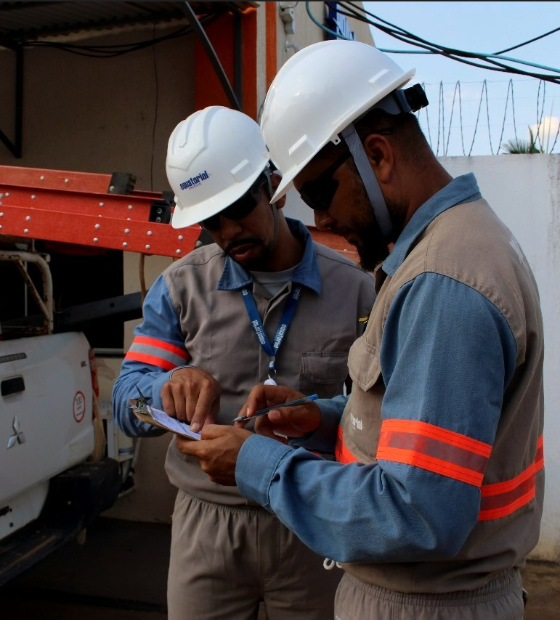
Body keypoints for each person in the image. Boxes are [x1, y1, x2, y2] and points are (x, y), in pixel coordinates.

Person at [177, 41, 545, 619]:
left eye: (321, 194)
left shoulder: (443, 282)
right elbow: (415, 432)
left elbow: (418, 514)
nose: (320, 220)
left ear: (377, 155)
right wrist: (324, 418)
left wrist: (254, 463)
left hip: (424, 604)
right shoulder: (452, 247)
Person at [112, 105, 375, 620]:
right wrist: (167, 386)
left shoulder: (357, 290)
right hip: (206, 527)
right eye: (211, 221)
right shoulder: (182, 289)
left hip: (309, 519)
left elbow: (376, 414)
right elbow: (125, 400)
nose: (230, 232)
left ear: (273, 185)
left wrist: (321, 414)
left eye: (240, 207)